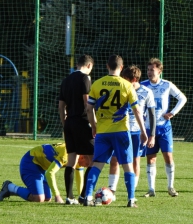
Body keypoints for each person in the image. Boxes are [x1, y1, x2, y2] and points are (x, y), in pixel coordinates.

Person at [84, 55, 148, 208]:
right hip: (121, 131)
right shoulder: (127, 85)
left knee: (97, 165)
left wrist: (93, 125)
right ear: (121, 67)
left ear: (107, 66)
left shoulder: (97, 84)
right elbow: (137, 111)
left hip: (103, 132)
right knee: (127, 165)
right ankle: (131, 199)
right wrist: (143, 132)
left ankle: (87, 197)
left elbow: (89, 108)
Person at [140, 57, 187, 197]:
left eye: (152, 70)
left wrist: (172, 113)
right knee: (151, 158)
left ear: (160, 71)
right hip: (148, 128)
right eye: (148, 70)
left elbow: (182, 98)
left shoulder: (167, 85)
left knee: (168, 156)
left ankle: (171, 186)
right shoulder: (143, 85)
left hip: (164, 127)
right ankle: (151, 189)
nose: (149, 72)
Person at [108, 65, 156, 200]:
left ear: (134, 79)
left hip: (136, 133)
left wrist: (151, 135)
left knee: (135, 161)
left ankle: (132, 192)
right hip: (119, 130)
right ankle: (112, 190)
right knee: (115, 160)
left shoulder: (147, 92)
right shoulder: (120, 89)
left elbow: (151, 115)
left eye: (126, 79)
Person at [58, 54, 95, 205]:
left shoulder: (66, 80)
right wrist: (94, 124)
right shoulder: (85, 78)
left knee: (71, 160)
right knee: (93, 159)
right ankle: (84, 195)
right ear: (89, 66)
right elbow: (87, 104)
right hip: (82, 122)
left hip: (69, 123)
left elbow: (61, 106)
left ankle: (69, 197)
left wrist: (64, 124)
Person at [0, 143, 85, 203]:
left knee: (47, 198)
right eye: (90, 161)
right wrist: (57, 196)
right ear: (84, 157)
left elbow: (79, 178)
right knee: (39, 198)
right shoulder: (67, 154)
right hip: (30, 162)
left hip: (41, 167)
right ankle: (9, 187)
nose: (89, 166)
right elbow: (50, 173)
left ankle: (14, 191)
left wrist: (82, 197)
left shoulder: (78, 156)